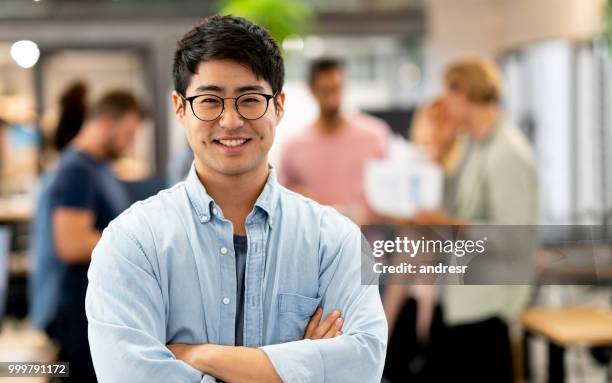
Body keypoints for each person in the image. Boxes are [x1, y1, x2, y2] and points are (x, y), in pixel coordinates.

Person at [85, 15, 387, 383]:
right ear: (180, 108)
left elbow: (364, 364)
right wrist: (302, 366)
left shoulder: (336, 241)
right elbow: (129, 376)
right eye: (210, 101)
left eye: (250, 100)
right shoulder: (133, 242)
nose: (230, 121)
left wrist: (201, 356)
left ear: (279, 106)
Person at [413, 57, 538, 382]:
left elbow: (514, 237)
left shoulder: (507, 152)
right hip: (462, 303)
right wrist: (440, 152)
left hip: (487, 309)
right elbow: (450, 205)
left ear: (464, 93)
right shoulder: (475, 146)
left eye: (449, 94)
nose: (445, 104)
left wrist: (450, 225)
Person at [48, 90, 145, 383]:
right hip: (78, 314)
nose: (131, 144)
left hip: (98, 309)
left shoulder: (99, 167)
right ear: (105, 123)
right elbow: (72, 244)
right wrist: (136, 244)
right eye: (128, 133)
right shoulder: (76, 169)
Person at [278, 58, 389, 224]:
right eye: (326, 91)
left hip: (367, 239)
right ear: (312, 90)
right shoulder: (293, 145)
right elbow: (282, 198)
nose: (332, 99)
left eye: (336, 89)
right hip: (315, 241)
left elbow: (390, 191)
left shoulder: (374, 136)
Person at [29, 82, 88, 334]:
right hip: (60, 306)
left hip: (50, 301)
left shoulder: (59, 172)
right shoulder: (73, 170)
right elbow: (71, 246)